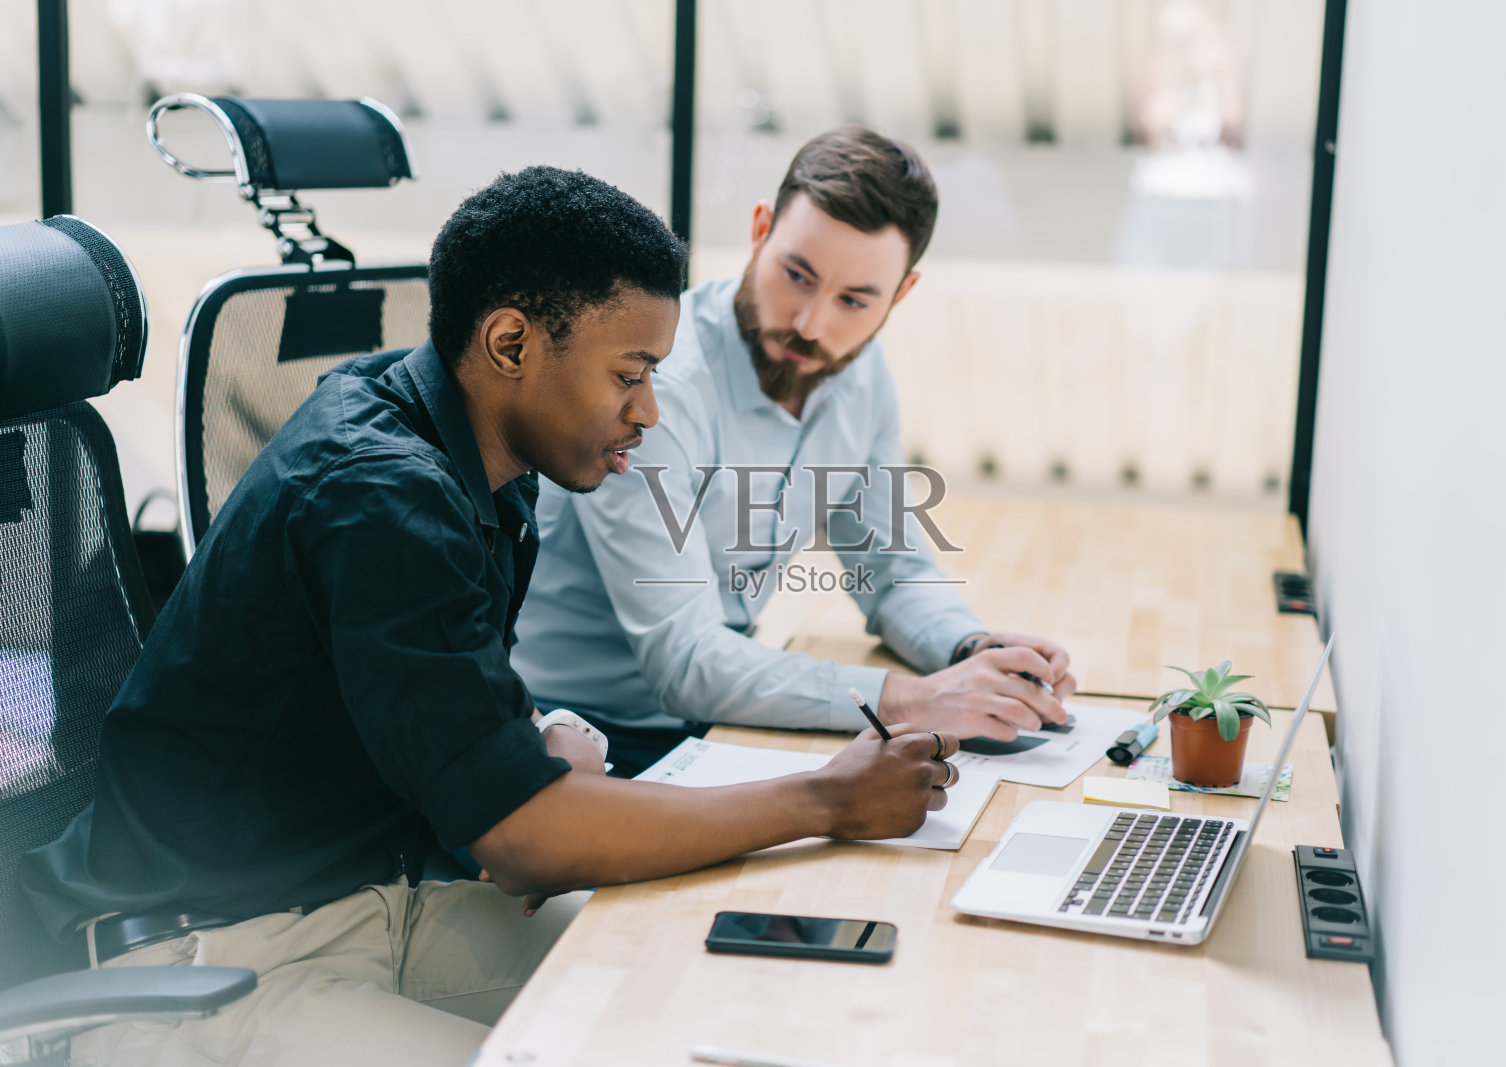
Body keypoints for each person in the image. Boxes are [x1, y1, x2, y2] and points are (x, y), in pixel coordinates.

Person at [20, 166, 956, 1067]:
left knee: (692, 985)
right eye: (629, 373)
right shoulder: (384, 495)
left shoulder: (471, 450)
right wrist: (827, 799)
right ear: (510, 345)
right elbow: (523, 839)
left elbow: (435, 698)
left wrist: (536, 737)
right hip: (210, 965)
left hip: (369, 897)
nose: (650, 409)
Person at [512, 127, 1078, 776]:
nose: (812, 324)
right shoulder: (656, 391)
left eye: (855, 300)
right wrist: (916, 698)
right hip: (579, 735)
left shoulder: (859, 377)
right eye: (797, 275)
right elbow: (685, 660)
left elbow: (894, 568)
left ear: (901, 295)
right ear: (760, 231)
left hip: (718, 719)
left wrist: (972, 649)